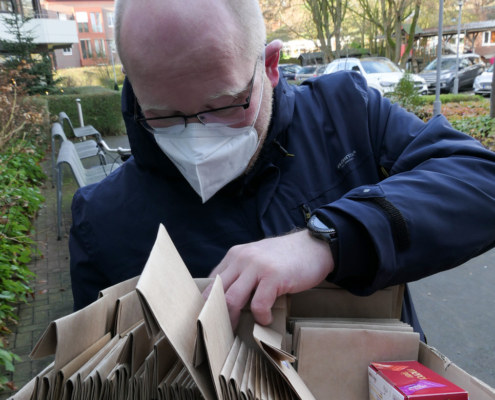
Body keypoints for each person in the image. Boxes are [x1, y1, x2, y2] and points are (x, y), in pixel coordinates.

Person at [69, 0, 495, 340]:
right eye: (162, 115)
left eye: (224, 106)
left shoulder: (347, 114)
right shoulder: (102, 222)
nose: (196, 140)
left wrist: (329, 239)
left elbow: (479, 179)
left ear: (269, 66)